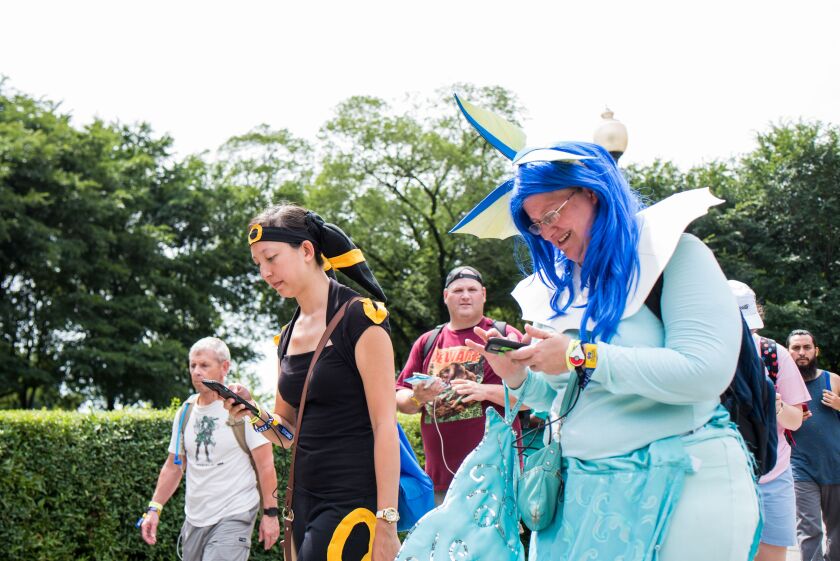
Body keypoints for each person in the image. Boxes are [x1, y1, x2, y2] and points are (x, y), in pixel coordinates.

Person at [463, 142, 761, 560]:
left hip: (683, 485)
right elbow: (564, 400)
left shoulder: (677, 255)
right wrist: (518, 375)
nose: (548, 232)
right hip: (583, 497)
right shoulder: (558, 293)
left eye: (551, 214)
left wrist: (580, 356)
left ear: (593, 191)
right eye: (535, 225)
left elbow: (705, 371)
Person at [225, 204, 401, 561]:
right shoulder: (285, 338)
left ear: (307, 250)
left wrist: (387, 521)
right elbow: (286, 432)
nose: (265, 272)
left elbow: (386, 424)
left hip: (353, 498)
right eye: (258, 263)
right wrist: (251, 411)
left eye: (271, 258)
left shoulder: (360, 318)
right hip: (301, 501)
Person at [141, 337, 280, 561]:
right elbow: (174, 466)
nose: (196, 371)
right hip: (194, 520)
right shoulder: (185, 411)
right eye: (192, 365)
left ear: (224, 367)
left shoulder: (241, 409)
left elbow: (265, 465)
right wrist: (154, 508)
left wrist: (271, 514)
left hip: (234, 514)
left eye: (204, 365)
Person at [394, 266, 522, 504]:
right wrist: (418, 398)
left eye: (472, 289)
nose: (465, 295)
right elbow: (400, 398)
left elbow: (531, 398)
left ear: (483, 294)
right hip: (441, 481)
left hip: (496, 475)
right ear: (445, 296)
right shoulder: (427, 342)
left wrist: (483, 391)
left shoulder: (503, 335)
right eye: (458, 290)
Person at [728, 281, 809, 561]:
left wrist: (774, 404)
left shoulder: (774, 355)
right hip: (722, 475)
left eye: (749, 328)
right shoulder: (705, 354)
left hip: (771, 476)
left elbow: (796, 420)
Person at [787, 329, 840, 561]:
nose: (802, 353)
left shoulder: (833, 380)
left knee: (837, 532)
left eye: (807, 347)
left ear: (816, 351)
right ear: (787, 353)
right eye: (796, 348)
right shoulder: (779, 385)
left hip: (835, 465)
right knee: (809, 529)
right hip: (800, 466)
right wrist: (790, 415)